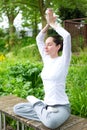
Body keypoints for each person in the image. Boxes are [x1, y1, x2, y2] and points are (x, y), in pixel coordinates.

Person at [13, 8, 71, 129]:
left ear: (58, 46)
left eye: (49, 44)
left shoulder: (63, 60)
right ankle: (44, 111)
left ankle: (38, 106)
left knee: (51, 123)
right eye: (46, 45)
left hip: (61, 107)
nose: (46, 47)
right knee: (17, 108)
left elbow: (67, 36)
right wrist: (47, 25)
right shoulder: (46, 59)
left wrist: (54, 24)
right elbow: (38, 39)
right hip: (46, 105)